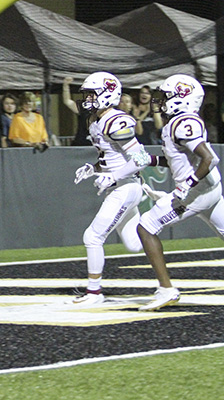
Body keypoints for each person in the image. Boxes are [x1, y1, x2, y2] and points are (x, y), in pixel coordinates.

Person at [136, 74, 224, 311]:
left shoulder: (183, 123)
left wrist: (185, 186)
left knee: (146, 226)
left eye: (167, 96)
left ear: (184, 99)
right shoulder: (176, 124)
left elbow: (208, 159)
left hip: (197, 192)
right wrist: (150, 160)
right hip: (207, 188)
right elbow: (179, 162)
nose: (161, 101)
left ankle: (166, 290)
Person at [72, 72, 147, 304]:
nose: (88, 99)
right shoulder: (94, 120)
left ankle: (94, 292)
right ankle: (158, 220)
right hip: (120, 185)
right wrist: (94, 168)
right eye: (86, 94)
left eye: (92, 94)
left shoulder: (117, 120)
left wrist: (112, 176)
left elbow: (141, 158)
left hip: (126, 186)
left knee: (92, 237)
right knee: (134, 244)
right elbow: (110, 157)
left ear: (108, 94)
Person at [61, 77, 91, 146]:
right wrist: (65, 86)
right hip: (80, 144)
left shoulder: (104, 111)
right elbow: (67, 101)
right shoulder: (83, 108)